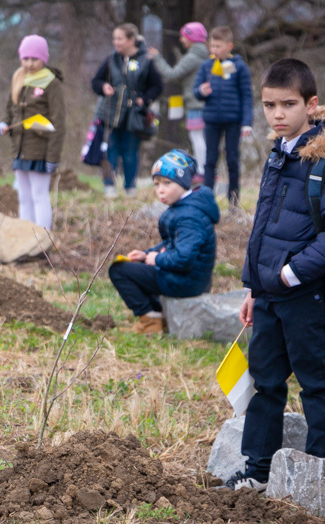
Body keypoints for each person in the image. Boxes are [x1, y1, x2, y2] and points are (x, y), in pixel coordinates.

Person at [229, 58, 325, 492]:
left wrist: (291, 273)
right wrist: (252, 286)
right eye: (268, 106)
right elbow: (262, 226)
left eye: (287, 104)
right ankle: (258, 471)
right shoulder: (277, 156)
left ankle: (314, 472)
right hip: (266, 295)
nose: (277, 115)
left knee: (316, 383)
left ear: (311, 104)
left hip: (304, 295)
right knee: (265, 381)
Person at [109, 149, 220, 334]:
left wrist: (157, 259)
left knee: (118, 271)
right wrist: (146, 254)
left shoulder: (190, 217)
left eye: (167, 183)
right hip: (186, 277)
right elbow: (171, 243)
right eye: (157, 184)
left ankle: (150, 320)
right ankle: (159, 314)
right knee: (132, 267)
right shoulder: (183, 207)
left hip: (187, 282)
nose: (160, 189)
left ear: (183, 182)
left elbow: (184, 258)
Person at [0, 35, 66, 230]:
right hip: (19, 150)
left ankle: (42, 237)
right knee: (23, 196)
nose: (29, 63)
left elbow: (59, 123)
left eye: (34, 59)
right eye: (25, 59)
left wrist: (53, 157)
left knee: (39, 195)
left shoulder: (52, 83)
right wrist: (3, 122)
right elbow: (10, 109)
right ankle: (25, 235)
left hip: (41, 151)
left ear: (44, 58)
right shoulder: (19, 78)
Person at [91, 23, 164, 198]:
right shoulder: (111, 59)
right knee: (110, 151)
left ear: (131, 40)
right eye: (114, 38)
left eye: (120, 38)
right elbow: (96, 81)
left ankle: (130, 188)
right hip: (111, 114)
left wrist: (144, 99)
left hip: (134, 116)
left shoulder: (146, 60)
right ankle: (109, 186)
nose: (116, 42)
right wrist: (104, 87)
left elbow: (157, 86)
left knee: (130, 153)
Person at [193, 26, 253, 207]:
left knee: (232, 161)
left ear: (229, 46)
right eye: (212, 46)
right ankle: (207, 201)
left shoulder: (239, 67)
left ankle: (234, 203)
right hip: (211, 120)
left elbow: (247, 96)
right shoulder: (206, 66)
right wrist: (201, 91)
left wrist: (247, 123)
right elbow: (196, 91)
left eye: (218, 46)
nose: (214, 50)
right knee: (209, 161)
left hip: (233, 122)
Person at [147, 22, 210, 183]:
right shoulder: (205, 55)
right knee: (203, 137)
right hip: (204, 103)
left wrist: (157, 58)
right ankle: (206, 168)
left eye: (184, 36)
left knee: (197, 137)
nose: (182, 40)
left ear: (192, 38)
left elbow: (172, 74)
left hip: (196, 103)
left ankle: (202, 171)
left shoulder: (192, 57)